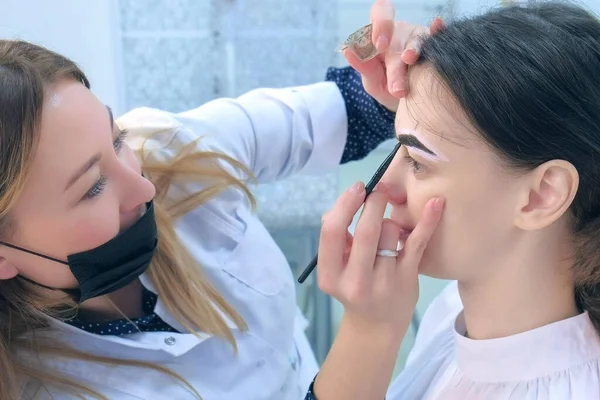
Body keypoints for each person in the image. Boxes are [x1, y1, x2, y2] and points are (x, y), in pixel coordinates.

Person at [0, 1, 432, 399]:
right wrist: (372, 329)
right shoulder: (39, 386)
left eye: (117, 140)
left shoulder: (169, 151)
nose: (144, 187)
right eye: (93, 187)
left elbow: (350, 110)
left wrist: (394, 66)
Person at [307, 1, 600, 399]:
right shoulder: (449, 315)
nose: (384, 187)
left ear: (541, 195)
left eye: (416, 162)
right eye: (397, 153)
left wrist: (369, 332)